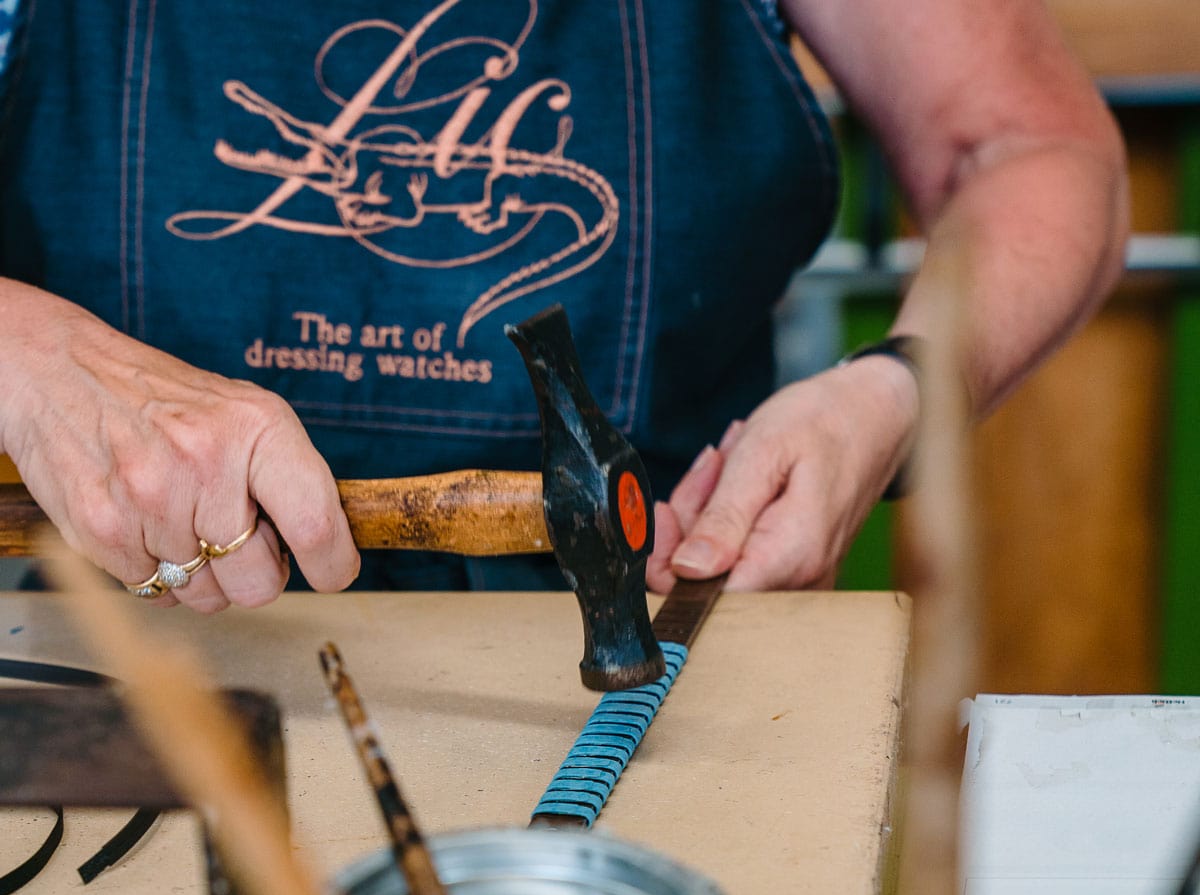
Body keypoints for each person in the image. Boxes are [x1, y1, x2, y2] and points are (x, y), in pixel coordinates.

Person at [0, 0, 1127, 610]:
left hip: (655, 649)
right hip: (120, 659)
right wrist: (31, 353)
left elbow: (1031, 150)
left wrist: (894, 393)